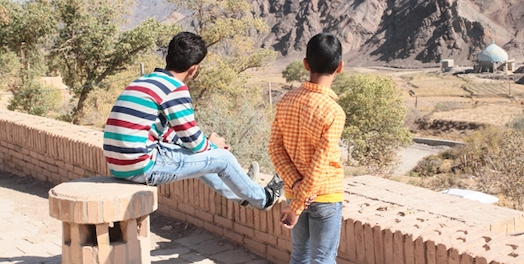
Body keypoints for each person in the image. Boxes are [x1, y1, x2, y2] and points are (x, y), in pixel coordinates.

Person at [103, 31, 282, 210]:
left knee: (200, 157)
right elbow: (195, 143)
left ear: (167, 58)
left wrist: (206, 147)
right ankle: (265, 198)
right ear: (193, 69)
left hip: (118, 165)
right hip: (142, 167)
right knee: (224, 158)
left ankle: (243, 193)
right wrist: (213, 146)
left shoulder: (142, 81)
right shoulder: (174, 88)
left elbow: (165, 133)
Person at [268, 32, 346, 264]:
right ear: (340, 67)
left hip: (294, 193)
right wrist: (298, 204)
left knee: (299, 256)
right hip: (325, 195)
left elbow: (275, 149)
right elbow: (320, 163)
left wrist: (296, 187)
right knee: (323, 259)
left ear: (305, 64)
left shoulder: (286, 101)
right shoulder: (333, 112)